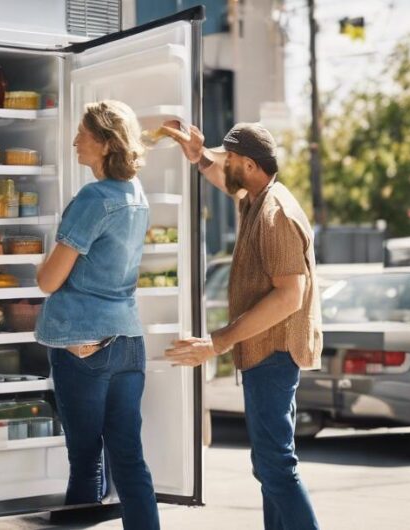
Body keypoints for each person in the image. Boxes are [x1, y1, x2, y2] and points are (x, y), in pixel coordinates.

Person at [164, 122, 323, 530]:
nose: (226, 163)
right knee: (270, 468)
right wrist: (200, 156)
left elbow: (291, 296)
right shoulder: (255, 198)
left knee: (276, 468)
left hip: (273, 355)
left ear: (250, 165)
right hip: (264, 355)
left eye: (231, 158)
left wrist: (217, 343)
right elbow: (226, 181)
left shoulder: (276, 214)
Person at [34, 100, 160, 530]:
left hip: (85, 345)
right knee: (128, 457)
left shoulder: (94, 198)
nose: (75, 141)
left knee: (86, 460)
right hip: (127, 342)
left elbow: (49, 281)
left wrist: (40, 265)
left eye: (83, 134)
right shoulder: (136, 194)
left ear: (106, 143)